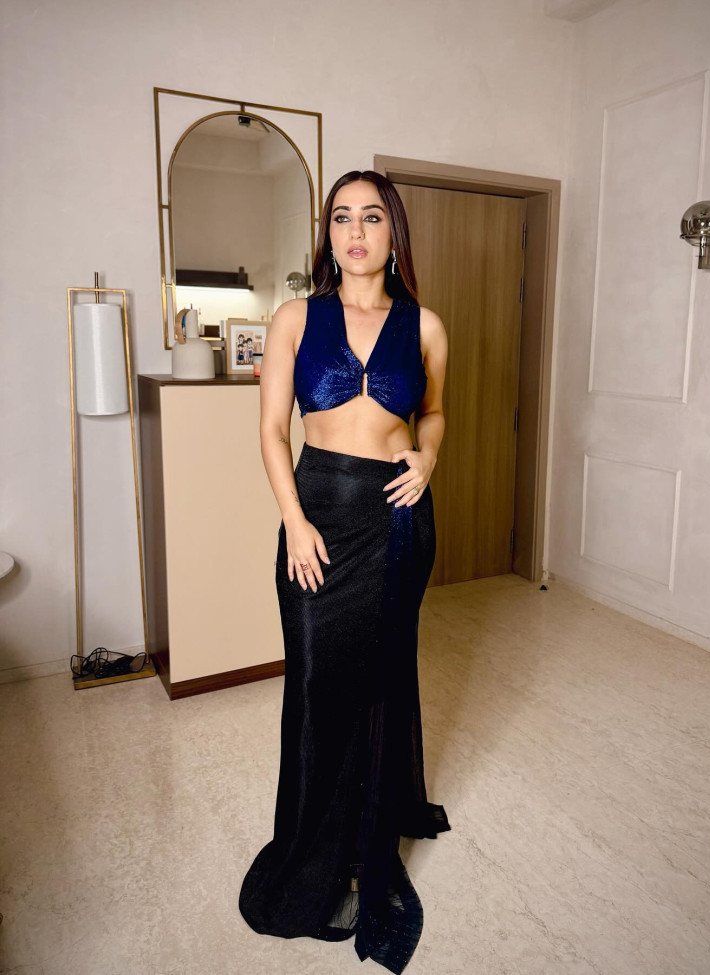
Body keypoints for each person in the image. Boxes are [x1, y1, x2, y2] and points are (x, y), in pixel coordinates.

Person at [238, 170, 450, 974]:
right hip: (319, 515)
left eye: (371, 217)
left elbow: (433, 410)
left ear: (394, 233)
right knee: (316, 689)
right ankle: (309, 852)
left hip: (397, 520)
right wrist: (295, 521)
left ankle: (366, 838)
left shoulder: (425, 325)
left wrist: (428, 456)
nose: (355, 231)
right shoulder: (296, 317)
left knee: (379, 684)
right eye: (341, 218)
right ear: (327, 233)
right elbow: (271, 430)